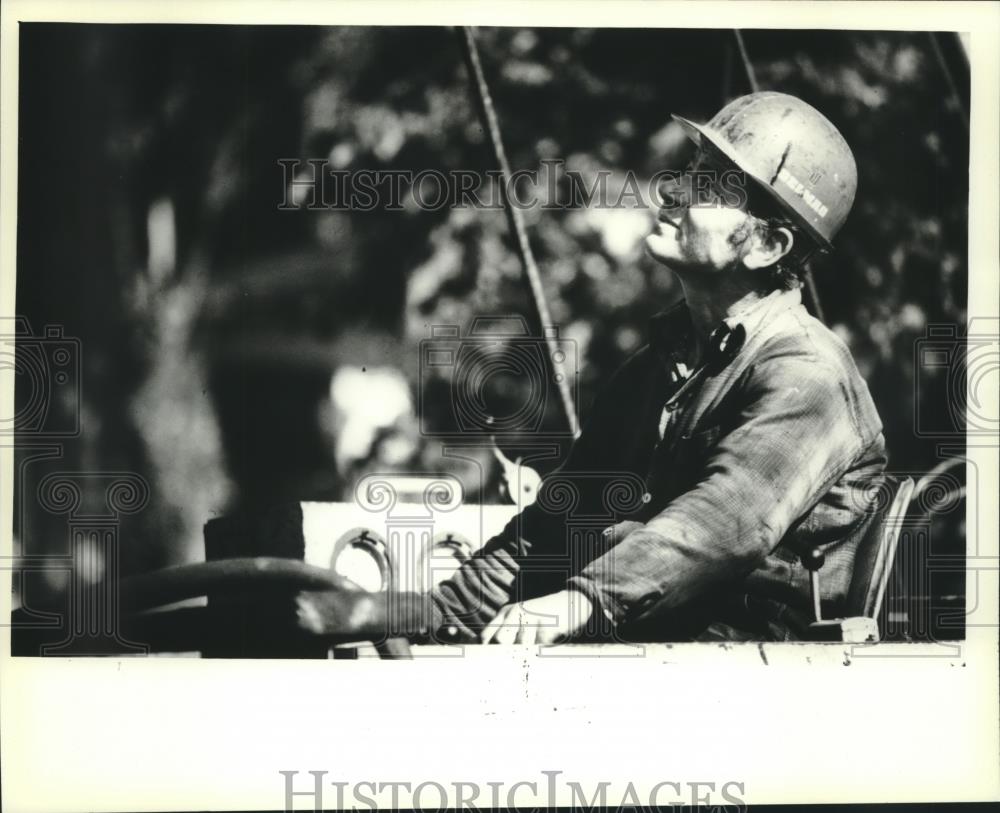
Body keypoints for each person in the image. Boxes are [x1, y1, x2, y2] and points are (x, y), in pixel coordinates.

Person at [427, 91, 887, 644]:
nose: (672, 191)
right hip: (651, 662)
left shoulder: (808, 374)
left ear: (768, 245)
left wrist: (580, 600)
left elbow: (725, 521)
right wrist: (430, 616)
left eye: (711, 184)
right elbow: (550, 529)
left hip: (756, 682)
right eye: (690, 170)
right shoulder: (653, 371)